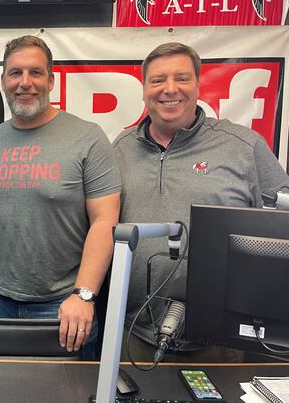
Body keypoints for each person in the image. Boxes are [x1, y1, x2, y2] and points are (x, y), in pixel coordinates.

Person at [112, 42, 289, 361]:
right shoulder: (121, 148)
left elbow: (283, 227)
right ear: (143, 89)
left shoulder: (243, 147)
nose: (170, 89)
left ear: (198, 84)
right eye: (157, 80)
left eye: (181, 78)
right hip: (133, 332)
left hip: (220, 341)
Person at [0, 35, 121, 359]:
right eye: (15, 73)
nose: (24, 83)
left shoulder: (88, 138)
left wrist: (84, 295)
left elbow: (105, 221)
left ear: (51, 80)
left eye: (35, 73)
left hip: (64, 307)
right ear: (3, 80)